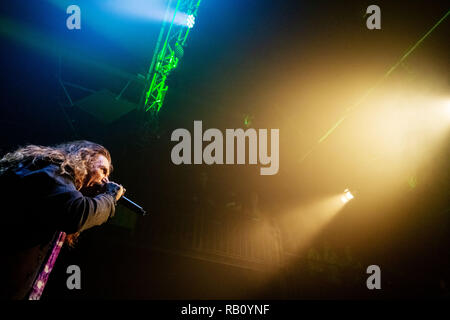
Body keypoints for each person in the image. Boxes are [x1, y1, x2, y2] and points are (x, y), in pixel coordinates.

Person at [0, 140, 125, 300]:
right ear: (84, 157)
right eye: (103, 170)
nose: (106, 181)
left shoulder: (57, 182)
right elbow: (76, 213)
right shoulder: (52, 170)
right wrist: (110, 197)